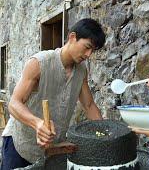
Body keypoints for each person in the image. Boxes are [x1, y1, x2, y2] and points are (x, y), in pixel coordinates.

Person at [1, 18, 106, 169]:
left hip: (51, 150)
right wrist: (37, 123)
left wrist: (104, 133)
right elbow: (14, 103)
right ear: (72, 37)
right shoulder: (39, 63)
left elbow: (89, 105)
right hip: (19, 145)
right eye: (87, 47)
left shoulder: (81, 71)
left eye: (92, 50)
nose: (88, 54)